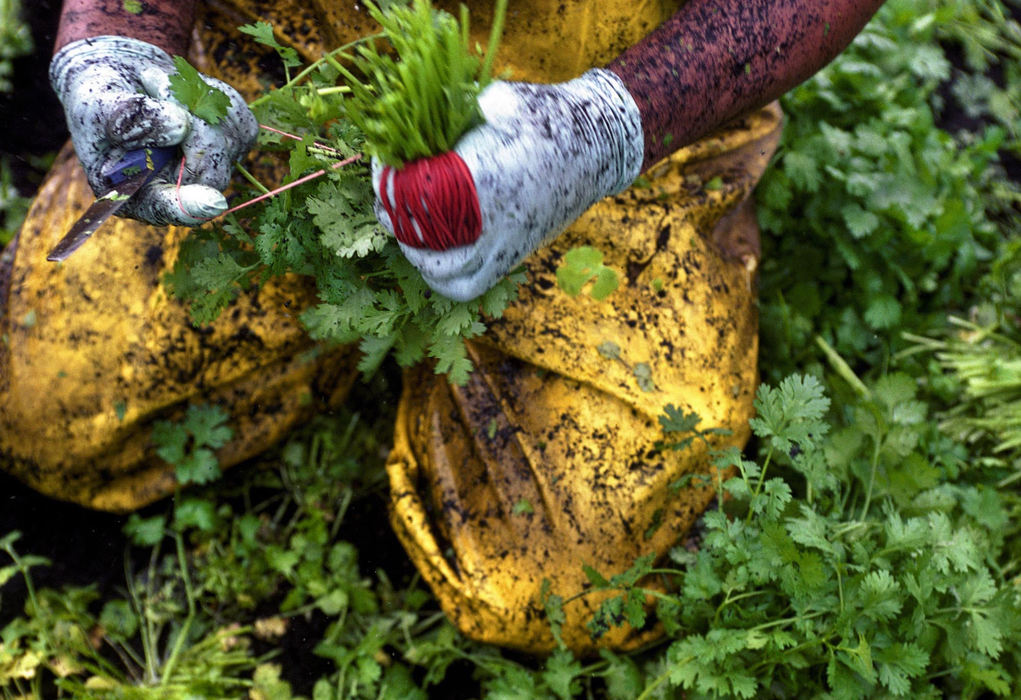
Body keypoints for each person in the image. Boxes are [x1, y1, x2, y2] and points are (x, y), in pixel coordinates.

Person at [0, 0, 884, 653]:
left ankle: (654, 190)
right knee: (48, 405)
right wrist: (120, 36)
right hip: (298, 72)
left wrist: (618, 122)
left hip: (599, 79)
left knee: (570, 578)